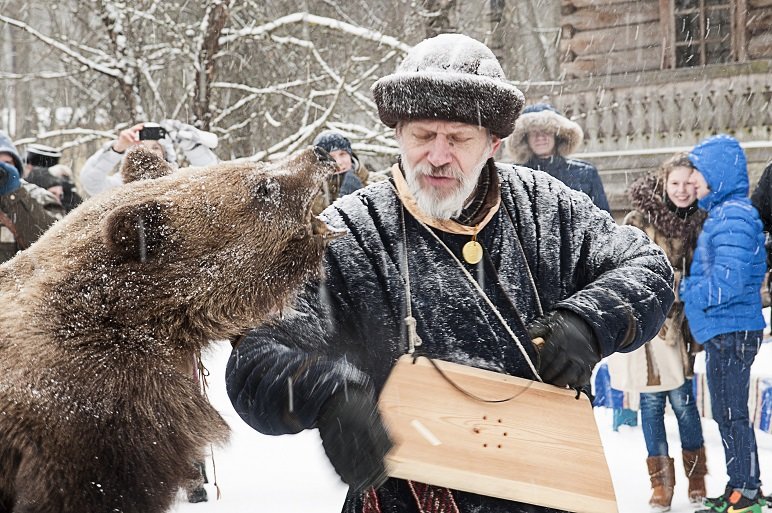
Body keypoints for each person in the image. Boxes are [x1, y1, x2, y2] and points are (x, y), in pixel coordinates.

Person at [225, 33, 674, 513]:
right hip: (403, 496)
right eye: (422, 135)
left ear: (494, 142)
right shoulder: (347, 231)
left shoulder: (548, 207)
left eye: (458, 138)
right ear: (398, 133)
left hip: (544, 486)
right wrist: (327, 395)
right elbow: (256, 354)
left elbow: (650, 268)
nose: (437, 156)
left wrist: (589, 322)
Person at [606, 153, 708, 511]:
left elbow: (704, 273)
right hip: (648, 325)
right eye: (675, 183)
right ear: (664, 182)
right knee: (650, 405)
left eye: (688, 184)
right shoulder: (639, 219)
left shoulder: (700, 221)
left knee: (683, 403)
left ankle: (697, 481)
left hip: (682, 329)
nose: (682, 191)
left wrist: (686, 292)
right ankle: (661, 486)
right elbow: (624, 268)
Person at [679, 135, 767, 513]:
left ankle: (746, 494)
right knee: (728, 414)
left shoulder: (734, 216)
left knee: (732, 415)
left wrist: (687, 290)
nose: (692, 180)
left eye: (697, 172)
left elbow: (727, 283)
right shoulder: (726, 213)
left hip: (731, 329)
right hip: (726, 329)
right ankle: (741, 487)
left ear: (716, 173)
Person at [505, 102, 610, 212]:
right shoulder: (515, 176)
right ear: (525, 138)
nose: (540, 137)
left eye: (546, 131)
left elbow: (603, 221)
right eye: (534, 132)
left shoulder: (585, 173)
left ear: (557, 135)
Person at [78, 120, 218, 197]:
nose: (148, 152)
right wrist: (117, 148)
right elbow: (90, 181)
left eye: (156, 147)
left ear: (166, 154)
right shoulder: (120, 185)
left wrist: (190, 144)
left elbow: (211, 178)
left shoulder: (179, 183)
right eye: (141, 147)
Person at [0, 131, 64, 263]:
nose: (2, 169)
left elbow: (56, 244)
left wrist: (15, 195)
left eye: (7, 163)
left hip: (24, 280)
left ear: (16, 166)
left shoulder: (40, 196)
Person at [311, 130, 369, 215]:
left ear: (350, 155)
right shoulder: (311, 197)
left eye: (342, 154)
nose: (338, 162)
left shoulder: (373, 183)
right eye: (330, 157)